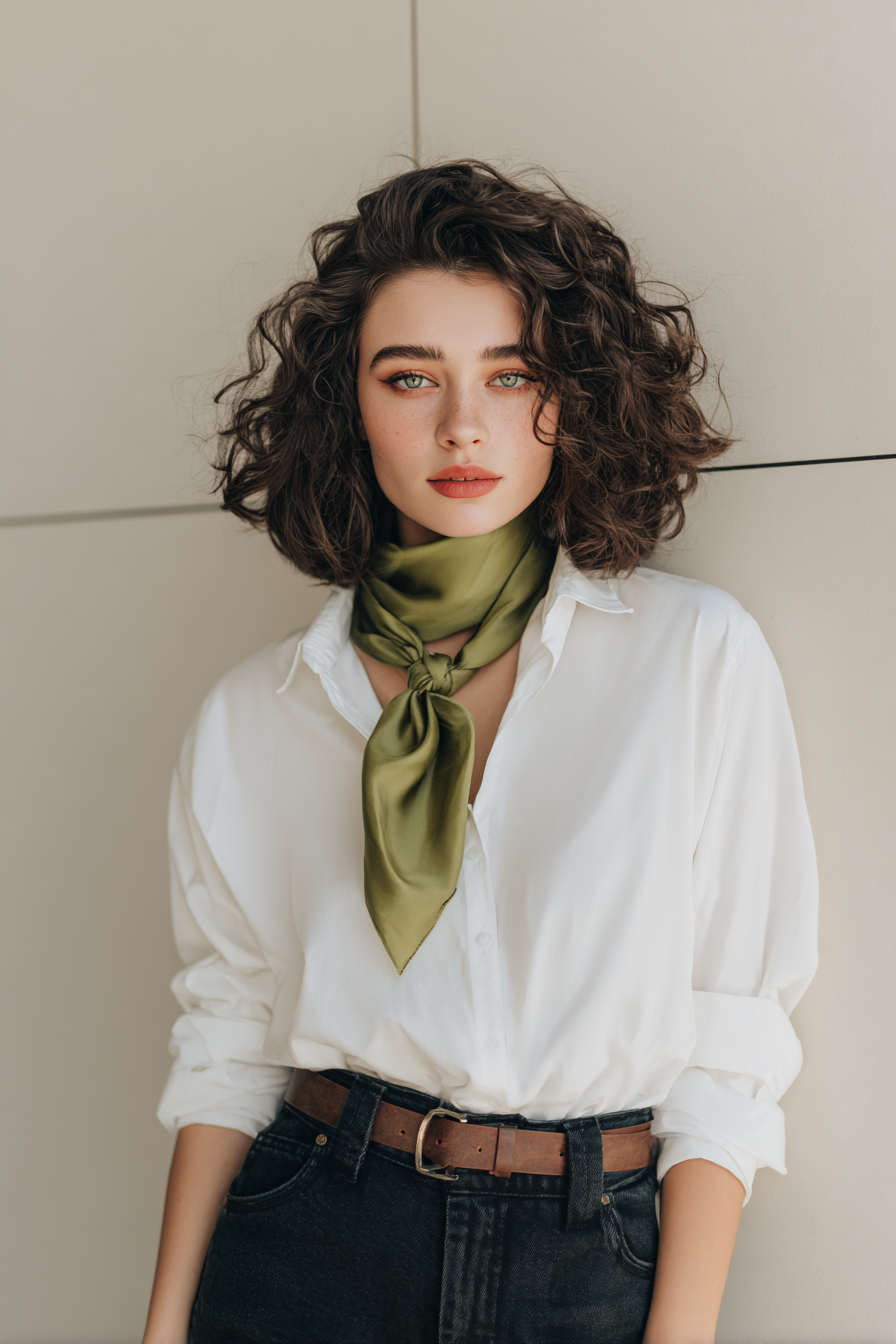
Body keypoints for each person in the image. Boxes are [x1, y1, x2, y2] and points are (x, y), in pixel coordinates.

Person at [143, 161, 817, 1344]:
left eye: (511, 376)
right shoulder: (256, 715)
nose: (463, 425)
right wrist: (161, 1329)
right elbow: (227, 1041)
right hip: (309, 1237)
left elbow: (730, 1039)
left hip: (587, 1249)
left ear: (575, 395)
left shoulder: (691, 657)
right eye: (411, 378)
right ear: (348, 406)